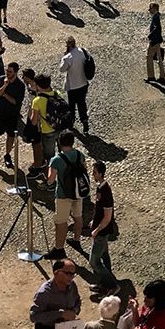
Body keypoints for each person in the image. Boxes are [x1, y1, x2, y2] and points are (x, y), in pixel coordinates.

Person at [48, 130, 89, 258]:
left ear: (59, 143)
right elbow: (85, 169)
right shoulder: (79, 155)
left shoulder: (56, 160)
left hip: (63, 195)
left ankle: (59, 249)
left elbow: (50, 180)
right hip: (78, 192)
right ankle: (76, 240)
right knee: (78, 216)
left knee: (61, 222)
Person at [85, 160, 119, 292]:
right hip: (101, 230)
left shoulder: (105, 191)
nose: (92, 174)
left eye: (94, 172)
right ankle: (106, 282)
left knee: (94, 261)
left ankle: (112, 284)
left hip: (102, 232)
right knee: (104, 256)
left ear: (100, 173)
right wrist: (94, 221)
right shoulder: (101, 188)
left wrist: (97, 229)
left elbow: (107, 216)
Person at [0, 62, 27, 171]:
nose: (7, 73)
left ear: (16, 72)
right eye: (7, 71)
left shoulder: (20, 86)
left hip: (12, 115)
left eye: (10, 72)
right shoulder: (1, 79)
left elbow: (16, 102)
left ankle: (7, 155)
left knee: (10, 136)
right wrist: (5, 86)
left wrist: (4, 94)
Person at [59, 37, 93, 133]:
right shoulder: (83, 51)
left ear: (68, 45)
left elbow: (62, 69)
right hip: (83, 83)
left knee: (72, 105)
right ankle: (84, 120)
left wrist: (64, 57)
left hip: (73, 86)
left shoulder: (68, 58)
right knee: (82, 103)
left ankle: (71, 123)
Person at [145, 2, 165, 82]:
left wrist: (150, 36)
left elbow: (156, 29)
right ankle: (162, 76)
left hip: (154, 41)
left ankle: (151, 76)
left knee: (149, 57)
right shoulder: (157, 16)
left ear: (154, 9)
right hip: (158, 40)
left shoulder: (155, 17)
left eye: (150, 8)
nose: (149, 10)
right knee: (159, 58)